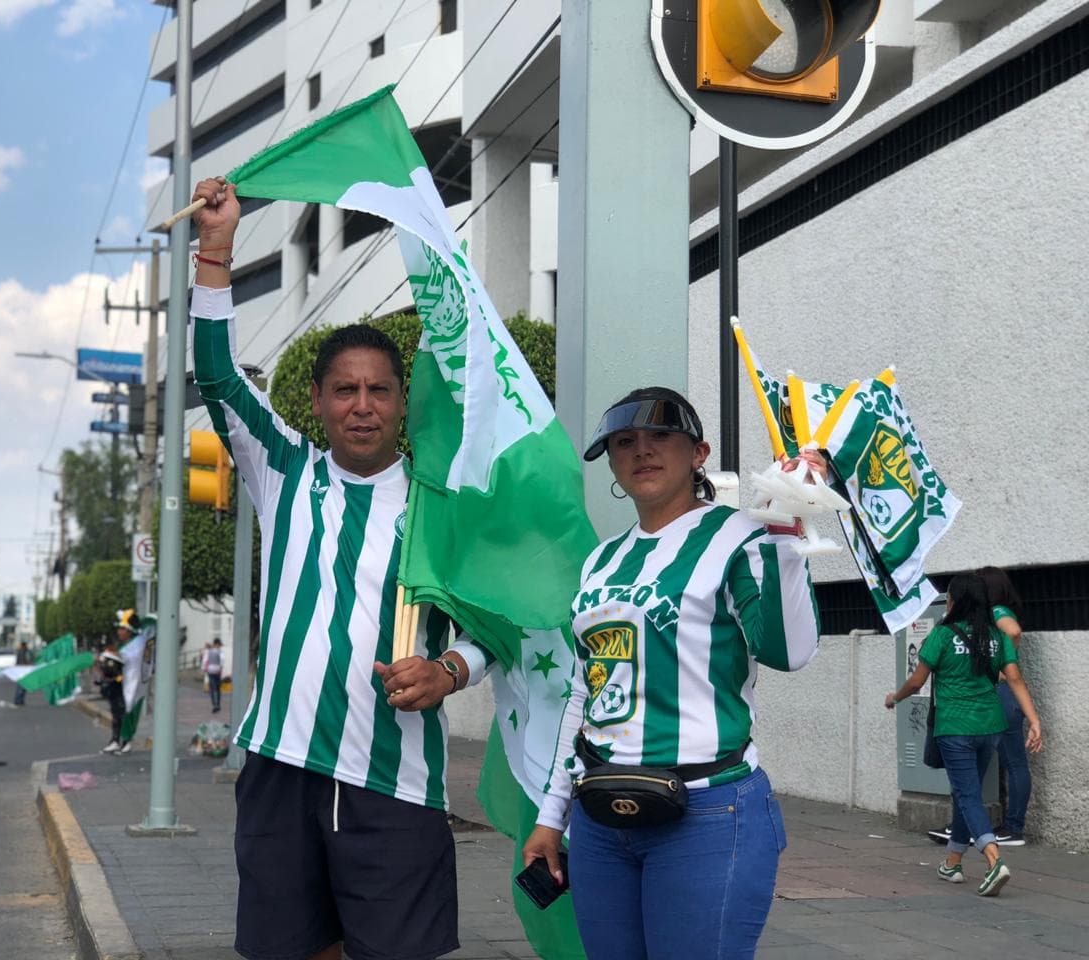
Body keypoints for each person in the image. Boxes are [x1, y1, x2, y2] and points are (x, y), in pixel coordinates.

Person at [188, 177, 493, 960]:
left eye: (378, 390)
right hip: (281, 769)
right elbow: (219, 375)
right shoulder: (282, 470)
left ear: (401, 402)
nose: (363, 405)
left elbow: (496, 622)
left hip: (394, 783)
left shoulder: (441, 502)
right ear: (318, 403)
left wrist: (450, 671)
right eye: (345, 390)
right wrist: (217, 254)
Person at [522, 387, 822, 960]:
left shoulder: (741, 535)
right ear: (611, 462)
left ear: (699, 451)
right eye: (624, 442)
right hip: (600, 814)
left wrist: (788, 535)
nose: (642, 450)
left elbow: (791, 651)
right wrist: (550, 816)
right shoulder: (601, 559)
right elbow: (588, 692)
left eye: (661, 436)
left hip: (708, 813)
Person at [886, 574, 1041, 896]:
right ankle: (952, 862)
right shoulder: (995, 637)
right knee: (964, 794)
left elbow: (916, 682)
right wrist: (1034, 720)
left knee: (968, 795)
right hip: (990, 728)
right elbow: (1014, 679)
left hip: (955, 728)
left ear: (953, 602)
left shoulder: (942, 635)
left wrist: (895, 698)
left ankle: (994, 860)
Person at [926, 566, 1032, 847]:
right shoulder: (987, 616)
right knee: (993, 763)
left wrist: (994, 670)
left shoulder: (996, 613)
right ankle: (972, 827)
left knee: (1008, 762)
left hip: (998, 694)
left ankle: (1011, 828)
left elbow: (1014, 632)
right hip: (997, 697)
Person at [99, 610, 135, 755]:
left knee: (122, 713)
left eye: (122, 629)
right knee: (116, 713)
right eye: (119, 629)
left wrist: (114, 655)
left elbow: (129, 661)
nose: (119, 632)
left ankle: (125, 741)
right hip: (116, 684)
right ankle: (115, 740)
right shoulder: (122, 645)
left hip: (125, 685)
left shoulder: (133, 645)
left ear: (129, 631)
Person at [203, 638, 224, 714]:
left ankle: (214, 704)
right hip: (217, 670)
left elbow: (205, 660)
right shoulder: (220, 651)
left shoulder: (209, 651)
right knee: (218, 688)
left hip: (210, 670)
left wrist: (204, 669)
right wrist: (220, 668)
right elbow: (222, 660)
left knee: (212, 688)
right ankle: (218, 704)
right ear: (217, 644)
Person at [13, 640, 33, 707]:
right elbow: (25, 661)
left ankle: (20, 701)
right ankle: (18, 701)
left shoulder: (22, 652)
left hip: (21, 671)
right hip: (22, 671)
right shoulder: (23, 652)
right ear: (24, 646)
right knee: (21, 687)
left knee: (22, 687)